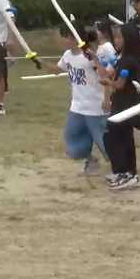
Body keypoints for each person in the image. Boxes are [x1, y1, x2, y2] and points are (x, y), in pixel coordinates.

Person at [40, 23, 109, 175]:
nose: (61, 40)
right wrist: (37, 61)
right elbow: (56, 70)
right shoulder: (67, 56)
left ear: (72, 38)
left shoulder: (89, 55)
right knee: (73, 144)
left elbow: (105, 76)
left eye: (63, 37)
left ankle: (121, 169)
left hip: (95, 107)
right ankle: (91, 161)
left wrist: (107, 99)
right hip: (77, 107)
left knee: (105, 143)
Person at [102, 23, 140, 190]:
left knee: (122, 139)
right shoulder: (121, 58)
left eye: (120, 37)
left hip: (127, 104)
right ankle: (123, 171)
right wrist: (95, 60)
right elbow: (109, 74)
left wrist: (108, 82)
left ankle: (128, 173)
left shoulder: (129, 61)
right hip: (120, 103)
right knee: (117, 137)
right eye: (116, 37)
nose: (116, 40)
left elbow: (120, 84)